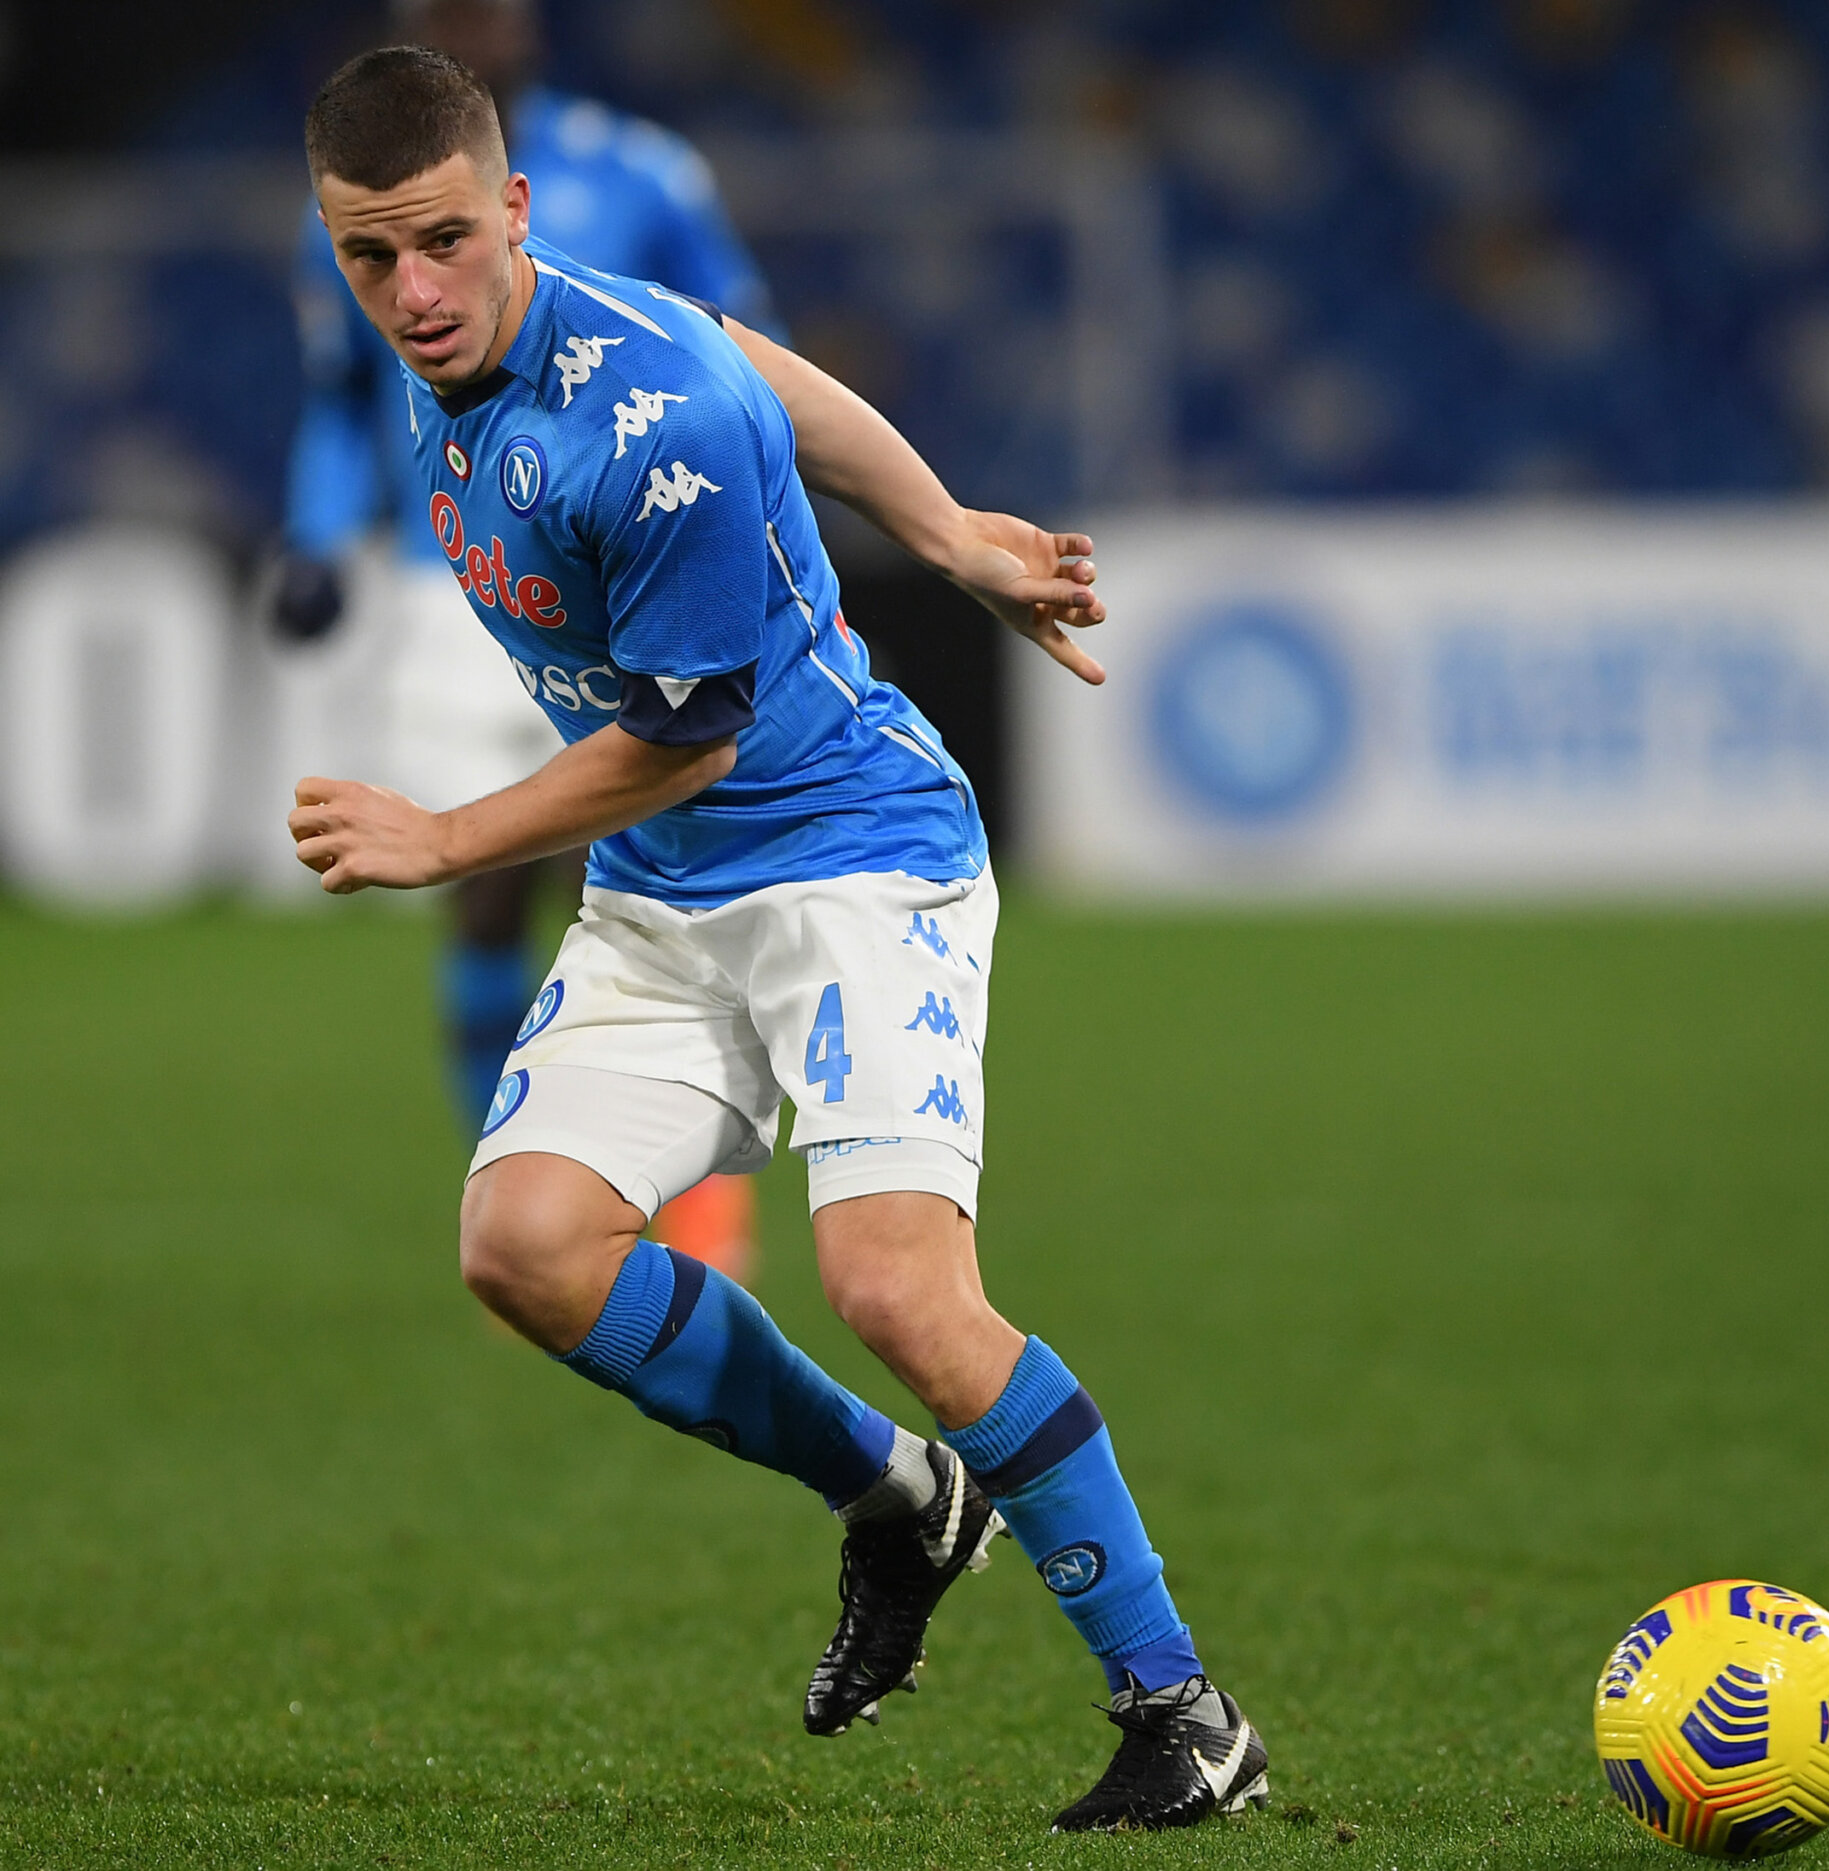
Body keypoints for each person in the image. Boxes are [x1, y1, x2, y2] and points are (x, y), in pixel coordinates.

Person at [285, 46, 1267, 1833]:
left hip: (846, 858)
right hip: (672, 891)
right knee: (521, 1243)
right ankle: (898, 1503)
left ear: (511, 211)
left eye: (439, 243)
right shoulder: (496, 333)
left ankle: (1183, 1708)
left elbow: (690, 735)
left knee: (896, 1286)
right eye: (368, 257)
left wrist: (443, 838)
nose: (410, 294)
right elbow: (774, 369)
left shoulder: (639, 423)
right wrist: (945, 524)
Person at [279, 0, 771, 1280]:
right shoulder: (353, 213)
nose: (467, 26)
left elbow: (737, 353)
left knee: (628, 855)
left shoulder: (648, 172)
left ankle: (692, 1206)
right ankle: (509, 1166)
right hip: (454, 585)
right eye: (441, 12)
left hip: (620, 574)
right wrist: (317, 536)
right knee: (485, 890)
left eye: (483, 9)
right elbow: (339, 398)